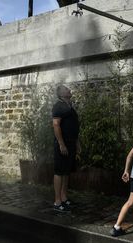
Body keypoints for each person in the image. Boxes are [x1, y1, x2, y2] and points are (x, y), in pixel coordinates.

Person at [52, 84, 80, 212]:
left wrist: (77, 143)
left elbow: (74, 127)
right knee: (59, 171)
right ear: (61, 94)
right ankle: (57, 202)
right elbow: (56, 125)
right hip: (62, 144)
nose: (69, 90)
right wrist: (61, 144)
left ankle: (64, 198)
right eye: (66, 89)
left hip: (71, 143)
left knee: (66, 171)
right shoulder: (58, 106)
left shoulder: (69, 106)